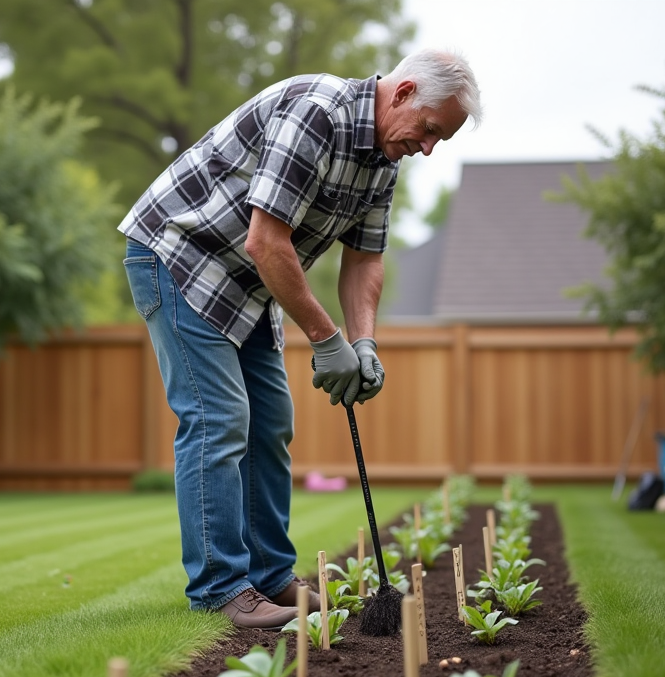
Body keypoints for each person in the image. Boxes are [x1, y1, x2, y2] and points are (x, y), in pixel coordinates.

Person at [119, 50, 481, 628]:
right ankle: (220, 588)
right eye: (431, 130)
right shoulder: (319, 114)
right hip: (182, 255)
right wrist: (325, 338)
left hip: (250, 284)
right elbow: (266, 241)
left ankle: (268, 578)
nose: (429, 148)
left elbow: (364, 260)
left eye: (442, 140)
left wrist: (363, 344)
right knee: (218, 420)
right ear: (406, 91)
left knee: (271, 423)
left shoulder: (383, 163)